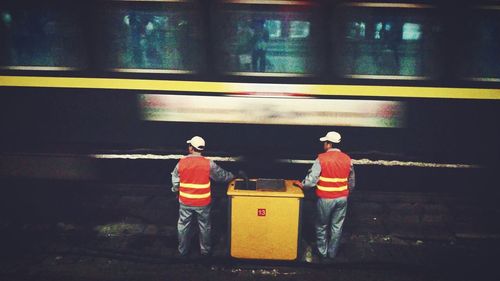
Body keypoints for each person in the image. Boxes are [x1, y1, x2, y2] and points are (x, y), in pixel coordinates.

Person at [171, 136, 234, 258]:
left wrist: (175, 191)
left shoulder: (181, 162)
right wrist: (233, 176)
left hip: (185, 201)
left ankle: (183, 251)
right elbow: (222, 176)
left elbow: (175, 180)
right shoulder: (208, 163)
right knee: (205, 226)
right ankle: (205, 251)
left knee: (183, 225)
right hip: (203, 202)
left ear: (191, 148)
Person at [299, 131, 355, 261]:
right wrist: (346, 193)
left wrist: (302, 185)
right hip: (342, 199)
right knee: (337, 227)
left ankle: (322, 253)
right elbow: (351, 182)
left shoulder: (321, 158)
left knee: (321, 226)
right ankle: (332, 253)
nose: (324, 145)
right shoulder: (347, 159)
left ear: (329, 144)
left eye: (325, 142)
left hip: (325, 198)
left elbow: (311, 181)